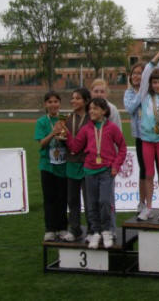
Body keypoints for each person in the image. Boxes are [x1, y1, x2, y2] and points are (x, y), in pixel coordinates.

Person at [65, 98, 127, 249]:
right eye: (90, 109)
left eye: (96, 109)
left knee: (105, 202)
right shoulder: (86, 129)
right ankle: (96, 232)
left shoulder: (112, 128)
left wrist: (116, 166)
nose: (92, 111)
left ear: (104, 111)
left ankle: (106, 231)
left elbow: (123, 147)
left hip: (106, 171)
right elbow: (75, 147)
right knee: (91, 204)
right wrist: (65, 132)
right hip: (89, 171)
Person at [128, 48, 159, 221]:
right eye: (153, 82)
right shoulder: (144, 94)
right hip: (146, 140)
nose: (156, 85)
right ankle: (148, 207)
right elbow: (147, 70)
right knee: (148, 174)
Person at [34, 91, 68, 242]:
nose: (53, 104)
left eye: (56, 101)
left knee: (62, 198)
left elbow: (71, 141)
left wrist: (65, 136)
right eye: (50, 102)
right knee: (49, 198)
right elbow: (41, 143)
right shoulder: (42, 122)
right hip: (47, 166)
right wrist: (53, 133)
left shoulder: (65, 119)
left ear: (60, 103)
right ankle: (50, 229)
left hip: (63, 165)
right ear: (45, 105)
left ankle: (62, 228)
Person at [90, 78, 121, 237]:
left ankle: (111, 229)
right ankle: (95, 230)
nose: (99, 94)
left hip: (108, 162)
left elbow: (118, 138)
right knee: (93, 199)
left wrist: (114, 162)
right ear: (91, 92)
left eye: (102, 91)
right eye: (96, 91)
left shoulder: (112, 109)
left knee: (107, 198)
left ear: (107, 93)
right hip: (91, 163)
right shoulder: (90, 109)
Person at [62, 88, 91, 242]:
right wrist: (58, 135)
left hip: (87, 164)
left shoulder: (91, 119)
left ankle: (92, 229)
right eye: (72, 98)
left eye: (77, 98)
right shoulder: (66, 118)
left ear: (86, 101)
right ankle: (75, 229)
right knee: (72, 200)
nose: (73, 101)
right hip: (71, 163)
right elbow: (61, 141)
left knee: (89, 200)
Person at [123, 63, 147, 214]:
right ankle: (142, 203)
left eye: (140, 73)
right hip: (139, 136)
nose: (136, 76)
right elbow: (131, 108)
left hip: (153, 136)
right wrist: (141, 92)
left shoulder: (151, 92)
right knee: (143, 170)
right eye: (134, 73)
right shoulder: (129, 93)